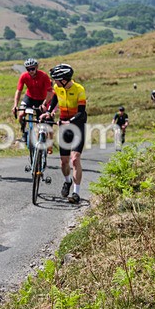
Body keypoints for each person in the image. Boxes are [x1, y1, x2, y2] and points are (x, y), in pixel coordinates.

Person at [41, 64, 86, 204]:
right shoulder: (57, 87)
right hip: (64, 126)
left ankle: (76, 193)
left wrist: (70, 121)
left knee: (75, 159)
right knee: (64, 162)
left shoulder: (79, 89)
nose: (54, 82)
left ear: (64, 79)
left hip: (77, 126)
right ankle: (67, 182)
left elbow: (81, 111)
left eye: (56, 79)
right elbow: (54, 100)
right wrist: (49, 111)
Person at [11, 58, 53, 143]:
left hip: (42, 99)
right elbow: (19, 91)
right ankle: (24, 133)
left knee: (40, 121)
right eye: (28, 69)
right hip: (29, 97)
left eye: (32, 69)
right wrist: (15, 105)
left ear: (36, 67)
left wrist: (44, 104)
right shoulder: (24, 76)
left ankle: (41, 139)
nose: (31, 71)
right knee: (21, 114)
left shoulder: (44, 76)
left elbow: (50, 92)